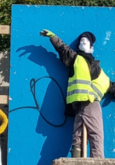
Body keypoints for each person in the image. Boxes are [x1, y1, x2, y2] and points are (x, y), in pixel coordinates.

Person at [40, 30, 110, 158]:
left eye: (86, 41)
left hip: (87, 104)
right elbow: (63, 49)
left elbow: (110, 86)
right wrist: (53, 37)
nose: (82, 42)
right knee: (86, 136)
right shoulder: (76, 59)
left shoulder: (97, 69)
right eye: (81, 41)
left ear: (91, 48)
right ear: (78, 47)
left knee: (86, 136)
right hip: (81, 105)